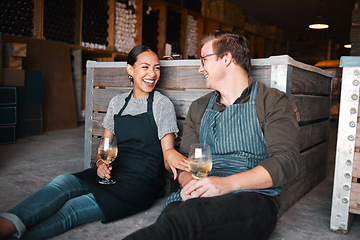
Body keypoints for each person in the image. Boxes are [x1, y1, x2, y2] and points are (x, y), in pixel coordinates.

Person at [123, 32, 300, 240]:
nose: (200, 69)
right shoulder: (199, 108)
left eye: (204, 60)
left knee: (186, 221)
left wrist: (227, 184)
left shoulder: (271, 101)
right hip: (200, 194)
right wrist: (191, 184)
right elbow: (184, 164)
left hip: (252, 198)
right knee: (172, 218)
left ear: (226, 58)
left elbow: (287, 161)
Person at [0, 45, 188, 240]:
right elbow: (104, 147)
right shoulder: (117, 102)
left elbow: (168, 153)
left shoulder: (161, 103)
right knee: (62, 182)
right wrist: (100, 163)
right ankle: (6, 223)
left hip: (139, 184)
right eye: (145, 67)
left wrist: (175, 158)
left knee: (71, 211)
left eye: (157, 68)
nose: (152, 74)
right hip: (113, 172)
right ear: (130, 69)